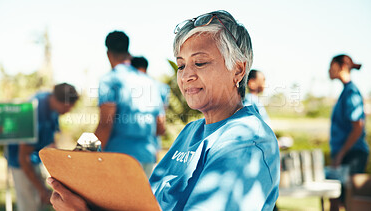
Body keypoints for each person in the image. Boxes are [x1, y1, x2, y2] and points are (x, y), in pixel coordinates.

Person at [48, 10, 280, 210]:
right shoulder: (192, 131)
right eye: (181, 65)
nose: (186, 75)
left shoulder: (246, 142)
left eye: (199, 62)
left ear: (238, 71)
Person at [94, 31, 165, 178]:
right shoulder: (151, 82)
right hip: (147, 157)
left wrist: (89, 155)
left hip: (118, 159)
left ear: (108, 53)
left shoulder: (110, 80)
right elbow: (160, 126)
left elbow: (106, 124)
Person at [7, 83, 79, 211]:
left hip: (36, 158)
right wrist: (42, 190)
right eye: (70, 107)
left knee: (40, 202)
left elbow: (52, 142)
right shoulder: (35, 111)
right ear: (65, 104)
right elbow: (23, 157)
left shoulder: (53, 106)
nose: (69, 111)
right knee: (29, 205)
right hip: (20, 163)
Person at [328, 54, 369, 211]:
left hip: (352, 155)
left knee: (347, 202)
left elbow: (358, 126)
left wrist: (341, 154)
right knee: (335, 198)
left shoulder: (351, 92)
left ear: (341, 67)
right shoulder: (345, 92)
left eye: (331, 66)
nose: (328, 70)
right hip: (344, 154)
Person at [131, 56, 168, 160]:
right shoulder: (160, 86)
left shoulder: (128, 86)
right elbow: (161, 121)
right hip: (151, 145)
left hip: (127, 148)